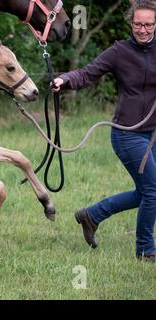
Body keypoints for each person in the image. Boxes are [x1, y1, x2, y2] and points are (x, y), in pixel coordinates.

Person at [53, 0, 156, 263]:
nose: (143, 30)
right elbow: (88, 73)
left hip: (153, 133)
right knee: (153, 191)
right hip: (127, 133)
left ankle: (92, 214)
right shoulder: (119, 52)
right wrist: (65, 80)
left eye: (148, 24)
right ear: (131, 23)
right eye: (138, 24)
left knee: (146, 192)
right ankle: (145, 249)